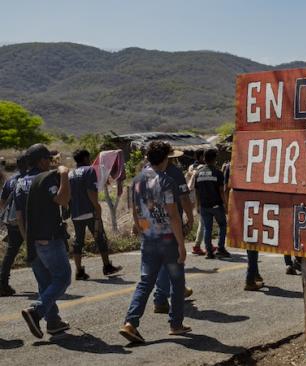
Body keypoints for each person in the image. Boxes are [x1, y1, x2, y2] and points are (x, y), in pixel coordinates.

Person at [119, 141, 191, 344]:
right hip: (168, 239)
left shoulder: (137, 181)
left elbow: (134, 210)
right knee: (177, 282)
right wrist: (181, 244)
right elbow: (173, 215)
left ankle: (130, 323)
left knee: (145, 282)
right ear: (165, 158)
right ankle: (176, 324)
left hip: (149, 239)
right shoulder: (166, 181)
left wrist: (141, 229)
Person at [16, 144, 72, 338]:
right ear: (41, 161)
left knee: (44, 282)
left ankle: (53, 321)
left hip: (31, 239)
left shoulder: (19, 182)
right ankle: (36, 311)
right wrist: (64, 175)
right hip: (49, 237)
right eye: (48, 159)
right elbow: (62, 200)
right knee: (63, 278)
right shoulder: (46, 178)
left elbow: (19, 215)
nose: (51, 162)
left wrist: (27, 240)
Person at [68, 149, 122, 280]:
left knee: (78, 242)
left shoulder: (70, 173)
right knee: (100, 238)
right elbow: (91, 191)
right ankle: (107, 266)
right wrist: (97, 208)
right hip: (90, 212)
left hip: (76, 213)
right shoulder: (89, 170)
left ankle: (79, 271)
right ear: (86, 158)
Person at [152, 149, 194, 314]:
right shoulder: (174, 172)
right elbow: (183, 198)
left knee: (164, 260)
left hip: (152, 223)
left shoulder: (146, 171)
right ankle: (160, 298)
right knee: (173, 258)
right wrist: (190, 218)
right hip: (170, 222)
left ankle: (179, 288)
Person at [222, 161, 263, 291]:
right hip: (253, 207)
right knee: (252, 243)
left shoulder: (231, 165)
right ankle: (250, 279)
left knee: (251, 243)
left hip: (240, 208)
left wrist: (229, 208)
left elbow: (226, 189)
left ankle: (255, 273)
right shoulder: (256, 162)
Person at [0, 154, 27, 296]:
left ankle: (2, 282)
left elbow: (2, 202)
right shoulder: (29, 179)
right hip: (27, 220)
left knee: (11, 251)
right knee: (39, 249)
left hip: (11, 221)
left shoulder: (10, 180)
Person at [195, 149, 230, 259]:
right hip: (216, 205)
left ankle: (209, 252)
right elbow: (221, 191)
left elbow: (196, 191)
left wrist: (197, 205)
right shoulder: (218, 173)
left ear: (204, 159)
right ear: (215, 159)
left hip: (204, 206)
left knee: (207, 228)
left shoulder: (198, 173)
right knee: (223, 225)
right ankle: (220, 248)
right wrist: (226, 204)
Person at [186, 149, 205, 255]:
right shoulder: (201, 168)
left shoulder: (191, 167)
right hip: (199, 196)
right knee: (203, 221)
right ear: (201, 157)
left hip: (192, 195)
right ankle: (197, 245)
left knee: (205, 221)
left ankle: (207, 244)